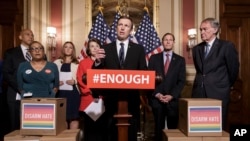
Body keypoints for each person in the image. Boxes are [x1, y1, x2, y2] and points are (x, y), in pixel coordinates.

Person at [93, 16, 147, 141]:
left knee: (131, 133)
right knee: (111, 134)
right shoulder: (105, 48)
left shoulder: (138, 49)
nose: (122, 28)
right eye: (120, 25)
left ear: (131, 30)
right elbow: (96, 74)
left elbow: (143, 72)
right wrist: (97, 61)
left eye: (126, 26)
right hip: (111, 100)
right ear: (116, 28)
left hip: (131, 100)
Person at [192, 17, 240, 129]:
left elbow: (233, 70)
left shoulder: (226, 46)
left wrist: (225, 86)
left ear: (215, 30)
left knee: (217, 128)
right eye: (200, 30)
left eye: (205, 29)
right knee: (198, 128)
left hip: (218, 93)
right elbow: (200, 71)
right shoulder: (196, 49)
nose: (202, 32)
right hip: (199, 93)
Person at [148, 33, 186, 141]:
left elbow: (181, 81)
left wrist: (172, 95)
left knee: (173, 130)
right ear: (162, 42)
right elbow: (150, 79)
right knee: (158, 130)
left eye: (170, 40)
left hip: (173, 101)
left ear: (174, 42)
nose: (168, 41)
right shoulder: (154, 58)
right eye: (166, 39)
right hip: (157, 100)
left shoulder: (180, 60)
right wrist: (157, 94)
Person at [2, 29, 34, 131]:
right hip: (15, 94)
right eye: (27, 34)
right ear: (20, 37)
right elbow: (7, 73)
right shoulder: (11, 53)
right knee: (15, 126)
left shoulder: (38, 53)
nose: (31, 37)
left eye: (32, 35)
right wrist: (21, 87)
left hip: (34, 95)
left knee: (31, 126)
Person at [77, 38, 106, 141]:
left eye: (97, 46)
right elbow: (80, 80)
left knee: (102, 129)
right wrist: (91, 91)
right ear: (88, 49)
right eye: (92, 46)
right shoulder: (83, 63)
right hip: (89, 100)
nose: (95, 48)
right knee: (90, 130)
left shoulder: (105, 62)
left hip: (104, 100)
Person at [54, 41, 80, 129]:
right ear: (63, 49)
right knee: (62, 118)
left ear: (73, 50)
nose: (68, 49)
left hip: (73, 93)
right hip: (60, 93)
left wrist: (75, 81)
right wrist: (56, 82)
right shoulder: (56, 62)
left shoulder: (77, 63)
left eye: (70, 47)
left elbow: (81, 77)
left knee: (74, 118)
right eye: (66, 47)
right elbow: (51, 77)